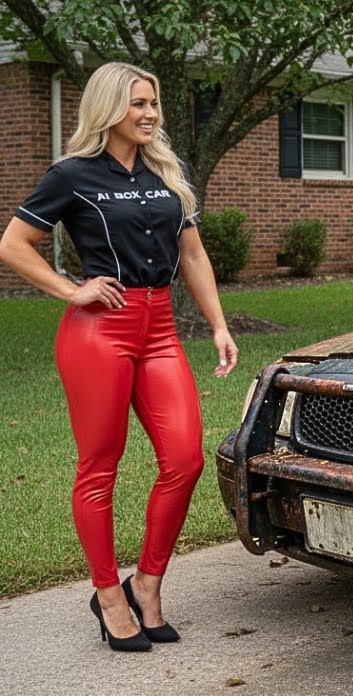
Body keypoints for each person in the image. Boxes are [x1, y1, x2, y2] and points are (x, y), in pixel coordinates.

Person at [0, 62, 239, 650]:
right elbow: (13, 244)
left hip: (159, 328)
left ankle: (148, 583)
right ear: (110, 109)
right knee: (99, 467)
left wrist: (217, 324)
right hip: (98, 332)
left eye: (153, 103)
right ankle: (108, 594)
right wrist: (70, 288)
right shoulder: (71, 175)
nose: (150, 113)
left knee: (185, 459)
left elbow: (193, 254)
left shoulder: (166, 175)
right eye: (138, 104)